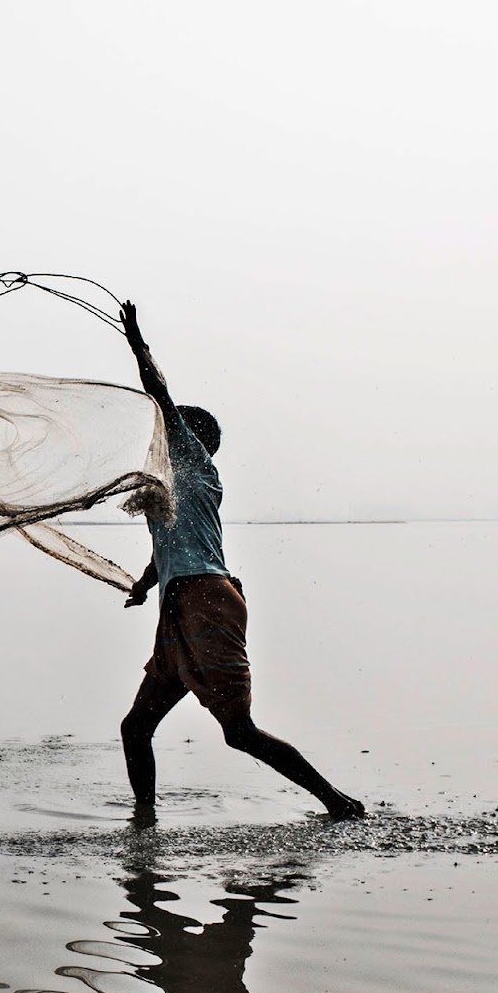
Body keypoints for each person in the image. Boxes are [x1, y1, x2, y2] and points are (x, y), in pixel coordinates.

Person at [118, 300, 365, 822]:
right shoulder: (171, 486)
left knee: (239, 733)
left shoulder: (193, 460)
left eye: (171, 430)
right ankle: (145, 822)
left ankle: (338, 803)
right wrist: (145, 585)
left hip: (208, 600)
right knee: (135, 727)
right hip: (179, 606)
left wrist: (137, 343)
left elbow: (158, 397)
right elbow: (170, 546)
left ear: (192, 439)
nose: (160, 437)